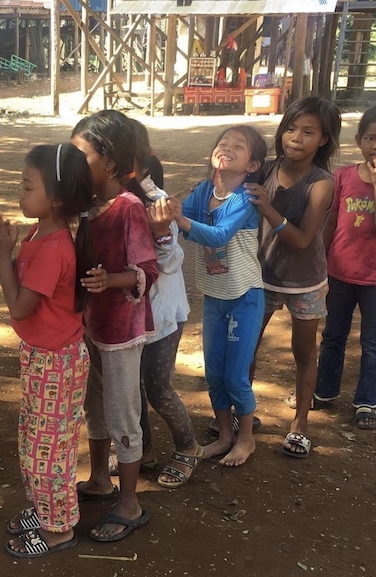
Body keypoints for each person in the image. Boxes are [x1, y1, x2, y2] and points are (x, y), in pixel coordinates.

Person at [0, 143, 95, 557]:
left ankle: (59, 528)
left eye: (28, 186)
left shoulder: (55, 247)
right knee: (34, 440)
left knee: (51, 449)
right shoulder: (39, 233)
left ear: (57, 199)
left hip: (56, 362)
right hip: (42, 357)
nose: (19, 194)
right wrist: (11, 249)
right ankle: (46, 509)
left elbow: (19, 306)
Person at [71, 110, 159, 543]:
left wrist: (112, 280)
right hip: (91, 324)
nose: (71, 164)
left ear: (107, 162)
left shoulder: (129, 208)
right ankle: (99, 478)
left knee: (123, 412)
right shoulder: (85, 206)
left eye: (78, 155)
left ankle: (130, 501)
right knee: (95, 404)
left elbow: (148, 270)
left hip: (123, 331)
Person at [245, 97, 342, 459]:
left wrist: (268, 208)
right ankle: (244, 413)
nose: (295, 138)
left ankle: (300, 423)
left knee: (304, 351)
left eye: (308, 132)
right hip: (261, 274)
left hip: (305, 281)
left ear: (324, 140)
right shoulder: (264, 169)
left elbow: (303, 240)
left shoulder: (321, 183)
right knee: (247, 347)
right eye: (290, 128)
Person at [165, 126, 267, 468]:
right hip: (214, 296)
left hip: (245, 297)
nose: (227, 147)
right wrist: (172, 213)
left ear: (251, 165)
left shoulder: (246, 199)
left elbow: (219, 235)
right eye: (223, 143)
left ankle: (246, 439)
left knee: (236, 375)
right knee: (214, 374)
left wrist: (181, 218)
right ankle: (224, 436)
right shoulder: (203, 191)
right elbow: (184, 223)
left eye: (239, 146)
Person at [314, 104, 376, 429]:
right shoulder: (343, 175)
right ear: (359, 140)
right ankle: (324, 391)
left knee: (373, 342)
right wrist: (322, 264)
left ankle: (366, 402)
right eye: (370, 137)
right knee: (333, 335)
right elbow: (331, 221)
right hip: (339, 272)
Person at [124, 118, 202, 488]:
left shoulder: (158, 204)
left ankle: (188, 446)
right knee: (133, 388)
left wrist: (158, 233)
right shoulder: (109, 202)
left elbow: (170, 261)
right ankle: (146, 450)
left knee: (158, 387)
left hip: (161, 317)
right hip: (129, 316)